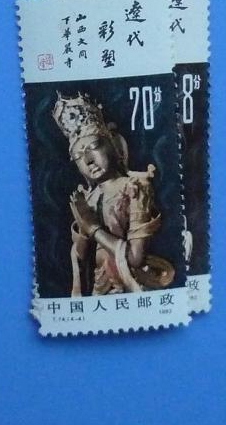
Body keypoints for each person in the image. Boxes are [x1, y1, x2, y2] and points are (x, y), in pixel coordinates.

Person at [50, 91, 175, 296]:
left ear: (113, 145)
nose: (88, 160)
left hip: (132, 283)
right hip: (100, 289)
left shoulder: (135, 187)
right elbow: (82, 258)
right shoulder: (89, 199)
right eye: (79, 156)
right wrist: (82, 231)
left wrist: (92, 228)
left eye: (93, 147)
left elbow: (135, 257)